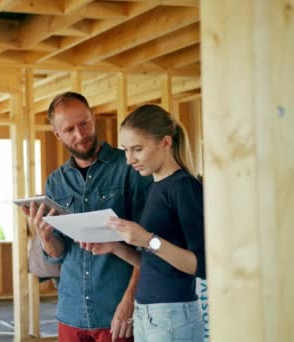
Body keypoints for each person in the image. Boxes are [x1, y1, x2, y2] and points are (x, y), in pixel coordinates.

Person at [23, 92, 151, 342]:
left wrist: (129, 301)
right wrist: (45, 236)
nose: (80, 135)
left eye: (84, 123)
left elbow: (149, 245)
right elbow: (58, 253)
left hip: (115, 312)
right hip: (71, 312)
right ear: (57, 134)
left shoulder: (129, 169)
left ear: (93, 118)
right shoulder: (56, 182)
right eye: (69, 129)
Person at [91, 104, 206, 342]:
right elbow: (157, 262)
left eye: (138, 149)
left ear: (165, 143)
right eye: (125, 150)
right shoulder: (154, 188)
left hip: (172, 317)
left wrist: (147, 239)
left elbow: (201, 265)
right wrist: (116, 248)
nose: (129, 159)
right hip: (147, 315)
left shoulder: (184, 187)